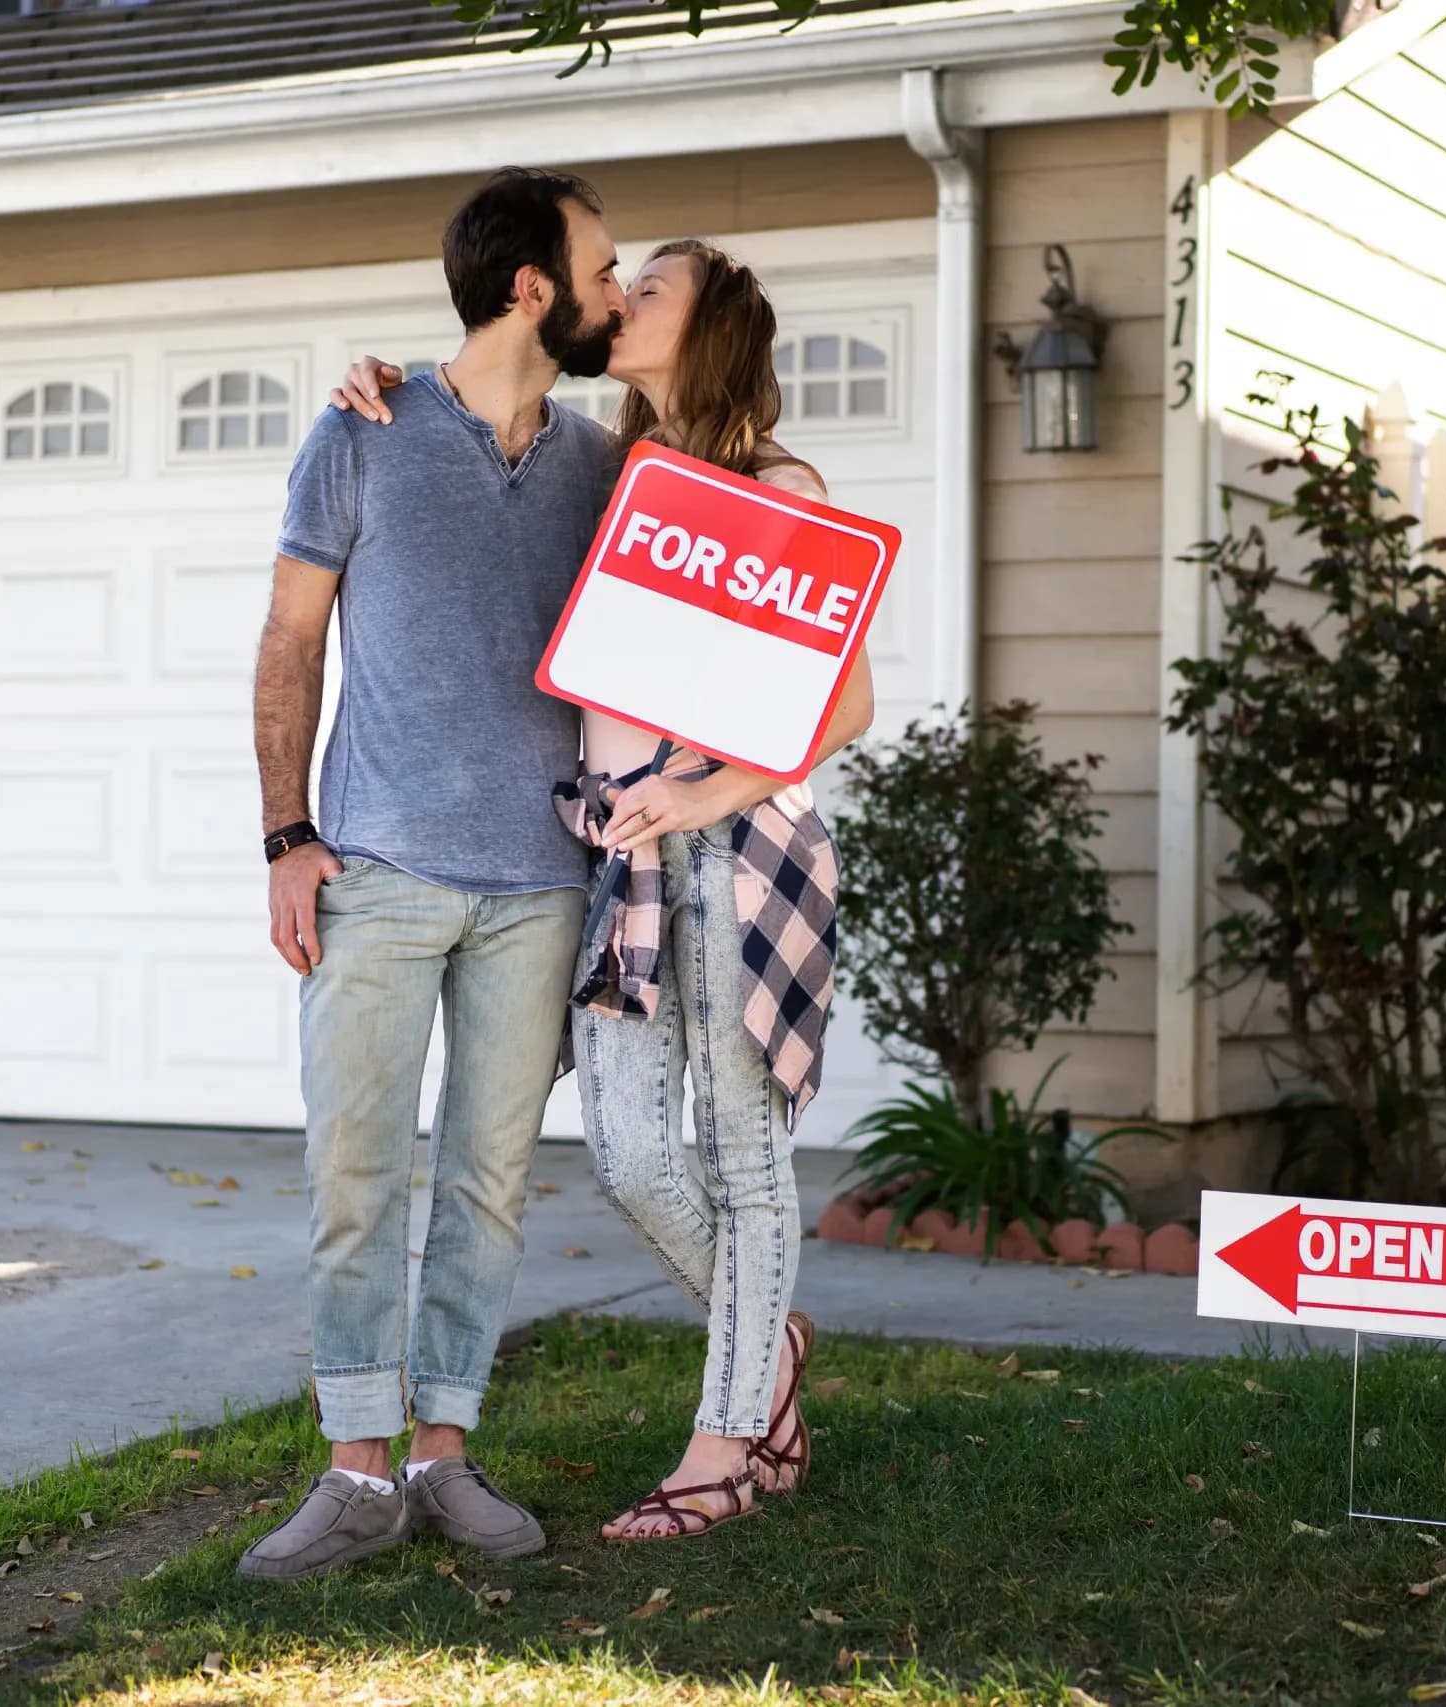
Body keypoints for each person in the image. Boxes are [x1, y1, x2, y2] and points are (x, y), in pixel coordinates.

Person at [330, 236, 875, 1540]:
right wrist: (390, 386)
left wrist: (701, 794)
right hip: (617, 859)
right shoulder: (611, 471)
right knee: (633, 1154)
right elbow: (484, 421)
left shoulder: (772, 482)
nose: (623, 302)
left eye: (655, 289)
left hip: (735, 848)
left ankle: (721, 1449)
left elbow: (842, 703)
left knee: (744, 1159)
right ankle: (771, 1351)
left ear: (717, 323)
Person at [239, 166, 627, 1581]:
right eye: (600, 269)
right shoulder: (365, 431)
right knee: (355, 1174)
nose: (614, 292)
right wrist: (289, 840)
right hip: (380, 871)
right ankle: (354, 1470)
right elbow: (290, 643)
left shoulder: (600, 465)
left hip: (542, 880)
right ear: (531, 287)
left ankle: (444, 1452)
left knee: (489, 1179)